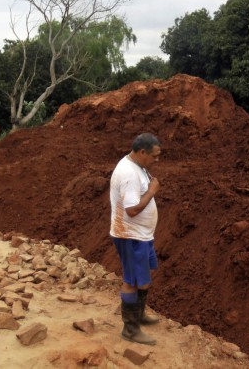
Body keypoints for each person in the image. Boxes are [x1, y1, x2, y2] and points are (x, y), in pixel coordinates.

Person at [109, 133, 162, 345]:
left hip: (141, 235)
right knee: (131, 281)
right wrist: (152, 191)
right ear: (142, 153)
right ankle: (130, 329)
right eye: (154, 156)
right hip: (130, 236)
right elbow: (131, 210)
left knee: (142, 279)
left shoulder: (136, 165)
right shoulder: (129, 174)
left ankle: (138, 315)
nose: (156, 160)